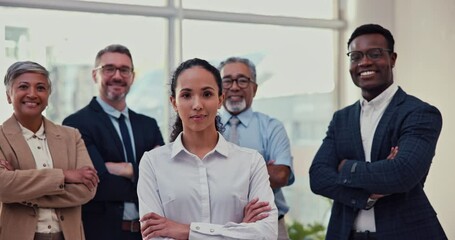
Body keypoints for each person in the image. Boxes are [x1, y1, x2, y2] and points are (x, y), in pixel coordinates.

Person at [309, 23, 447, 240]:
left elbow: (402, 173)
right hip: (346, 234)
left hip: (406, 233)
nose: (364, 62)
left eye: (375, 54)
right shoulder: (341, 119)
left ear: (392, 59)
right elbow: (318, 177)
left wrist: (345, 168)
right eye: (356, 56)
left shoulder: (419, 113)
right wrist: (369, 195)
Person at [138, 58, 278, 239]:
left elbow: (266, 234)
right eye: (186, 95)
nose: (197, 105)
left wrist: (185, 231)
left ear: (220, 99)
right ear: (174, 102)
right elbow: (155, 236)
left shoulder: (250, 162)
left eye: (207, 94)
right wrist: (240, 230)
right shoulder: (153, 163)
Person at [62, 44, 164, 240]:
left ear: (132, 76)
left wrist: (126, 169)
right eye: (109, 69)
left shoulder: (148, 125)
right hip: (101, 234)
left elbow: (165, 177)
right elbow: (97, 185)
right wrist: (145, 175)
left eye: (124, 70)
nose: (117, 76)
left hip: (148, 234)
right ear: (95, 75)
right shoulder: (75, 124)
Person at [0, 61, 99, 240]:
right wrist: (64, 176)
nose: (32, 94)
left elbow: (87, 190)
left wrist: (20, 190)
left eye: (40, 88)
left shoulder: (71, 136)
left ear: (48, 95)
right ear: (8, 95)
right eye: (23, 86)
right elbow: (2, 187)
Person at [218, 57, 295, 239]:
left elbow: (280, 175)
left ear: (255, 88)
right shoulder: (205, 127)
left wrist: (220, 171)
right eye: (227, 81)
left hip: (268, 227)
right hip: (218, 227)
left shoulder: (271, 127)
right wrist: (260, 169)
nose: (235, 87)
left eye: (243, 80)